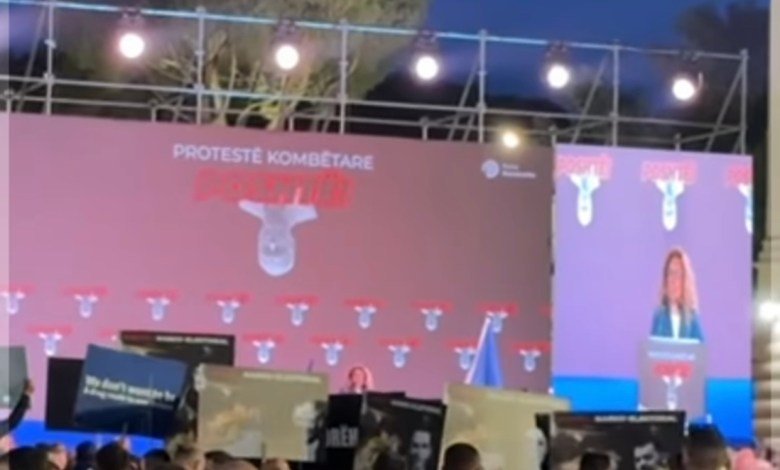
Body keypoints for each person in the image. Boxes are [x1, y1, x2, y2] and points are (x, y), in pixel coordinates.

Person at [650, 248, 704, 341]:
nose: (673, 280)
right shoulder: (659, 317)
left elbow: (701, 347)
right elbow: (652, 347)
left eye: (678, 274)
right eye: (670, 273)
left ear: (685, 281)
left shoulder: (692, 318)